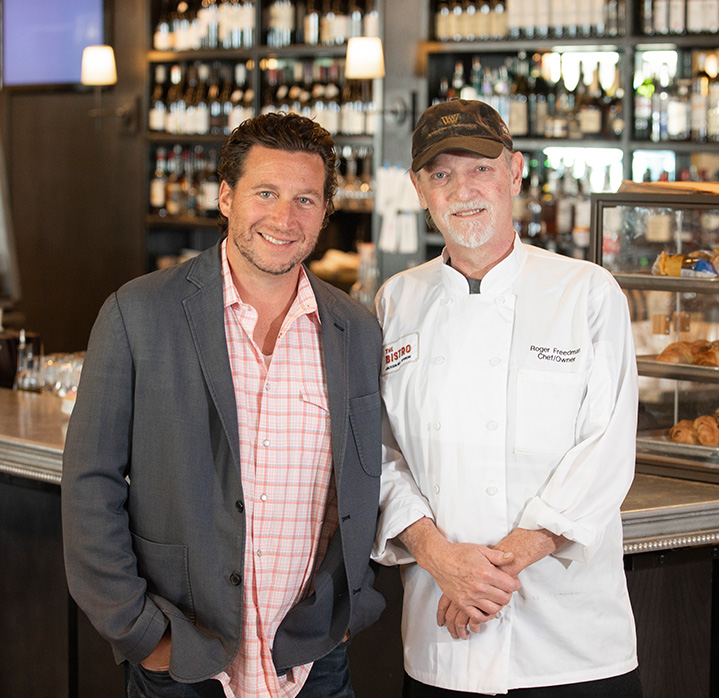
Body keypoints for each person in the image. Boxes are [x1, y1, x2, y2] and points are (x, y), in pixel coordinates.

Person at [61, 112, 385, 698]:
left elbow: (367, 480)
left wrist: (349, 605)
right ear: (226, 197)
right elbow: (90, 484)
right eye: (266, 192)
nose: (285, 219)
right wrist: (141, 635)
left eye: (305, 200)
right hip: (185, 656)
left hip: (313, 658)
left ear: (326, 211)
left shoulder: (356, 329)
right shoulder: (138, 313)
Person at [372, 99, 642, 697]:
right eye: (440, 174)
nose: (461, 189)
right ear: (419, 188)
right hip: (442, 641)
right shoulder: (396, 301)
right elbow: (379, 454)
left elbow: (606, 450)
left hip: (571, 645)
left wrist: (491, 575)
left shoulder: (588, 293)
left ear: (515, 172)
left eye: (480, 168)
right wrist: (441, 560)